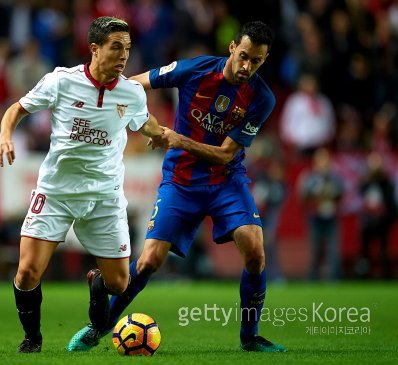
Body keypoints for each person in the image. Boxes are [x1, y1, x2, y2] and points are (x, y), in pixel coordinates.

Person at [68, 21, 286, 353]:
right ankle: (99, 326)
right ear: (231, 48)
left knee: (255, 252)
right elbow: (137, 83)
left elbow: (227, 153)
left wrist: (178, 138)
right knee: (149, 261)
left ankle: (250, 337)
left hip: (226, 180)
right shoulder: (194, 70)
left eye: (256, 61)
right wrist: (107, 101)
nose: (247, 67)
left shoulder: (261, 98)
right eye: (243, 56)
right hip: (180, 182)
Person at [0, 16, 164, 353]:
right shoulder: (61, 81)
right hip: (56, 191)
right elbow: (17, 108)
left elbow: (145, 122)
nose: (123, 56)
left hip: (104, 197)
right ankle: (33, 339)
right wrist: (5, 134)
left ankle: (96, 285)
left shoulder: (131, 92)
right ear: (94, 48)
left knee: (119, 283)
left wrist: (158, 134)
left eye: (127, 49)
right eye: (116, 47)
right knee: (27, 271)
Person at [298, 148, 344, 281]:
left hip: (331, 216)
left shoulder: (335, 177)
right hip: (315, 217)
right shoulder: (309, 177)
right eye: (320, 159)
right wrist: (314, 195)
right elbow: (302, 198)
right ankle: (313, 278)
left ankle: (334, 279)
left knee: (333, 249)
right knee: (315, 249)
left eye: (325, 159)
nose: (323, 162)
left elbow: (341, 195)